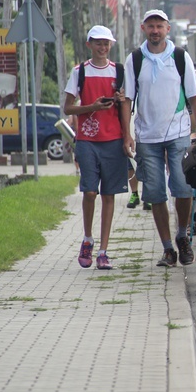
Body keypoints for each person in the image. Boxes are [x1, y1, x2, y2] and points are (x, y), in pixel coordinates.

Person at [122, 9, 196, 268]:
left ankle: (182, 235)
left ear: (168, 29)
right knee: (155, 193)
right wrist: (127, 134)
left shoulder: (180, 57)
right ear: (143, 28)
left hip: (178, 134)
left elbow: (194, 98)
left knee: (183, 187)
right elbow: (127, 100)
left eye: (160, 26)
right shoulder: (135, 59)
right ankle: (168, 248)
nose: (155, 30)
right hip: (147, 136)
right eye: (151, 26)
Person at [63, 25, 130, 270]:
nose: (102, 48)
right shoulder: (79, 71)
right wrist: (91, 106)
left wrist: (127, 137)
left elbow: (125, 105)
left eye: (106, 43)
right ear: (89, 44)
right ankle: (88, 238)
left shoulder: (119, 71)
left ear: (111, 45)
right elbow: (68, 108)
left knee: (109, 194)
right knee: (90, 191)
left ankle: (103, 250)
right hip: (87, 140)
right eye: (98, 43)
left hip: (113, 140)